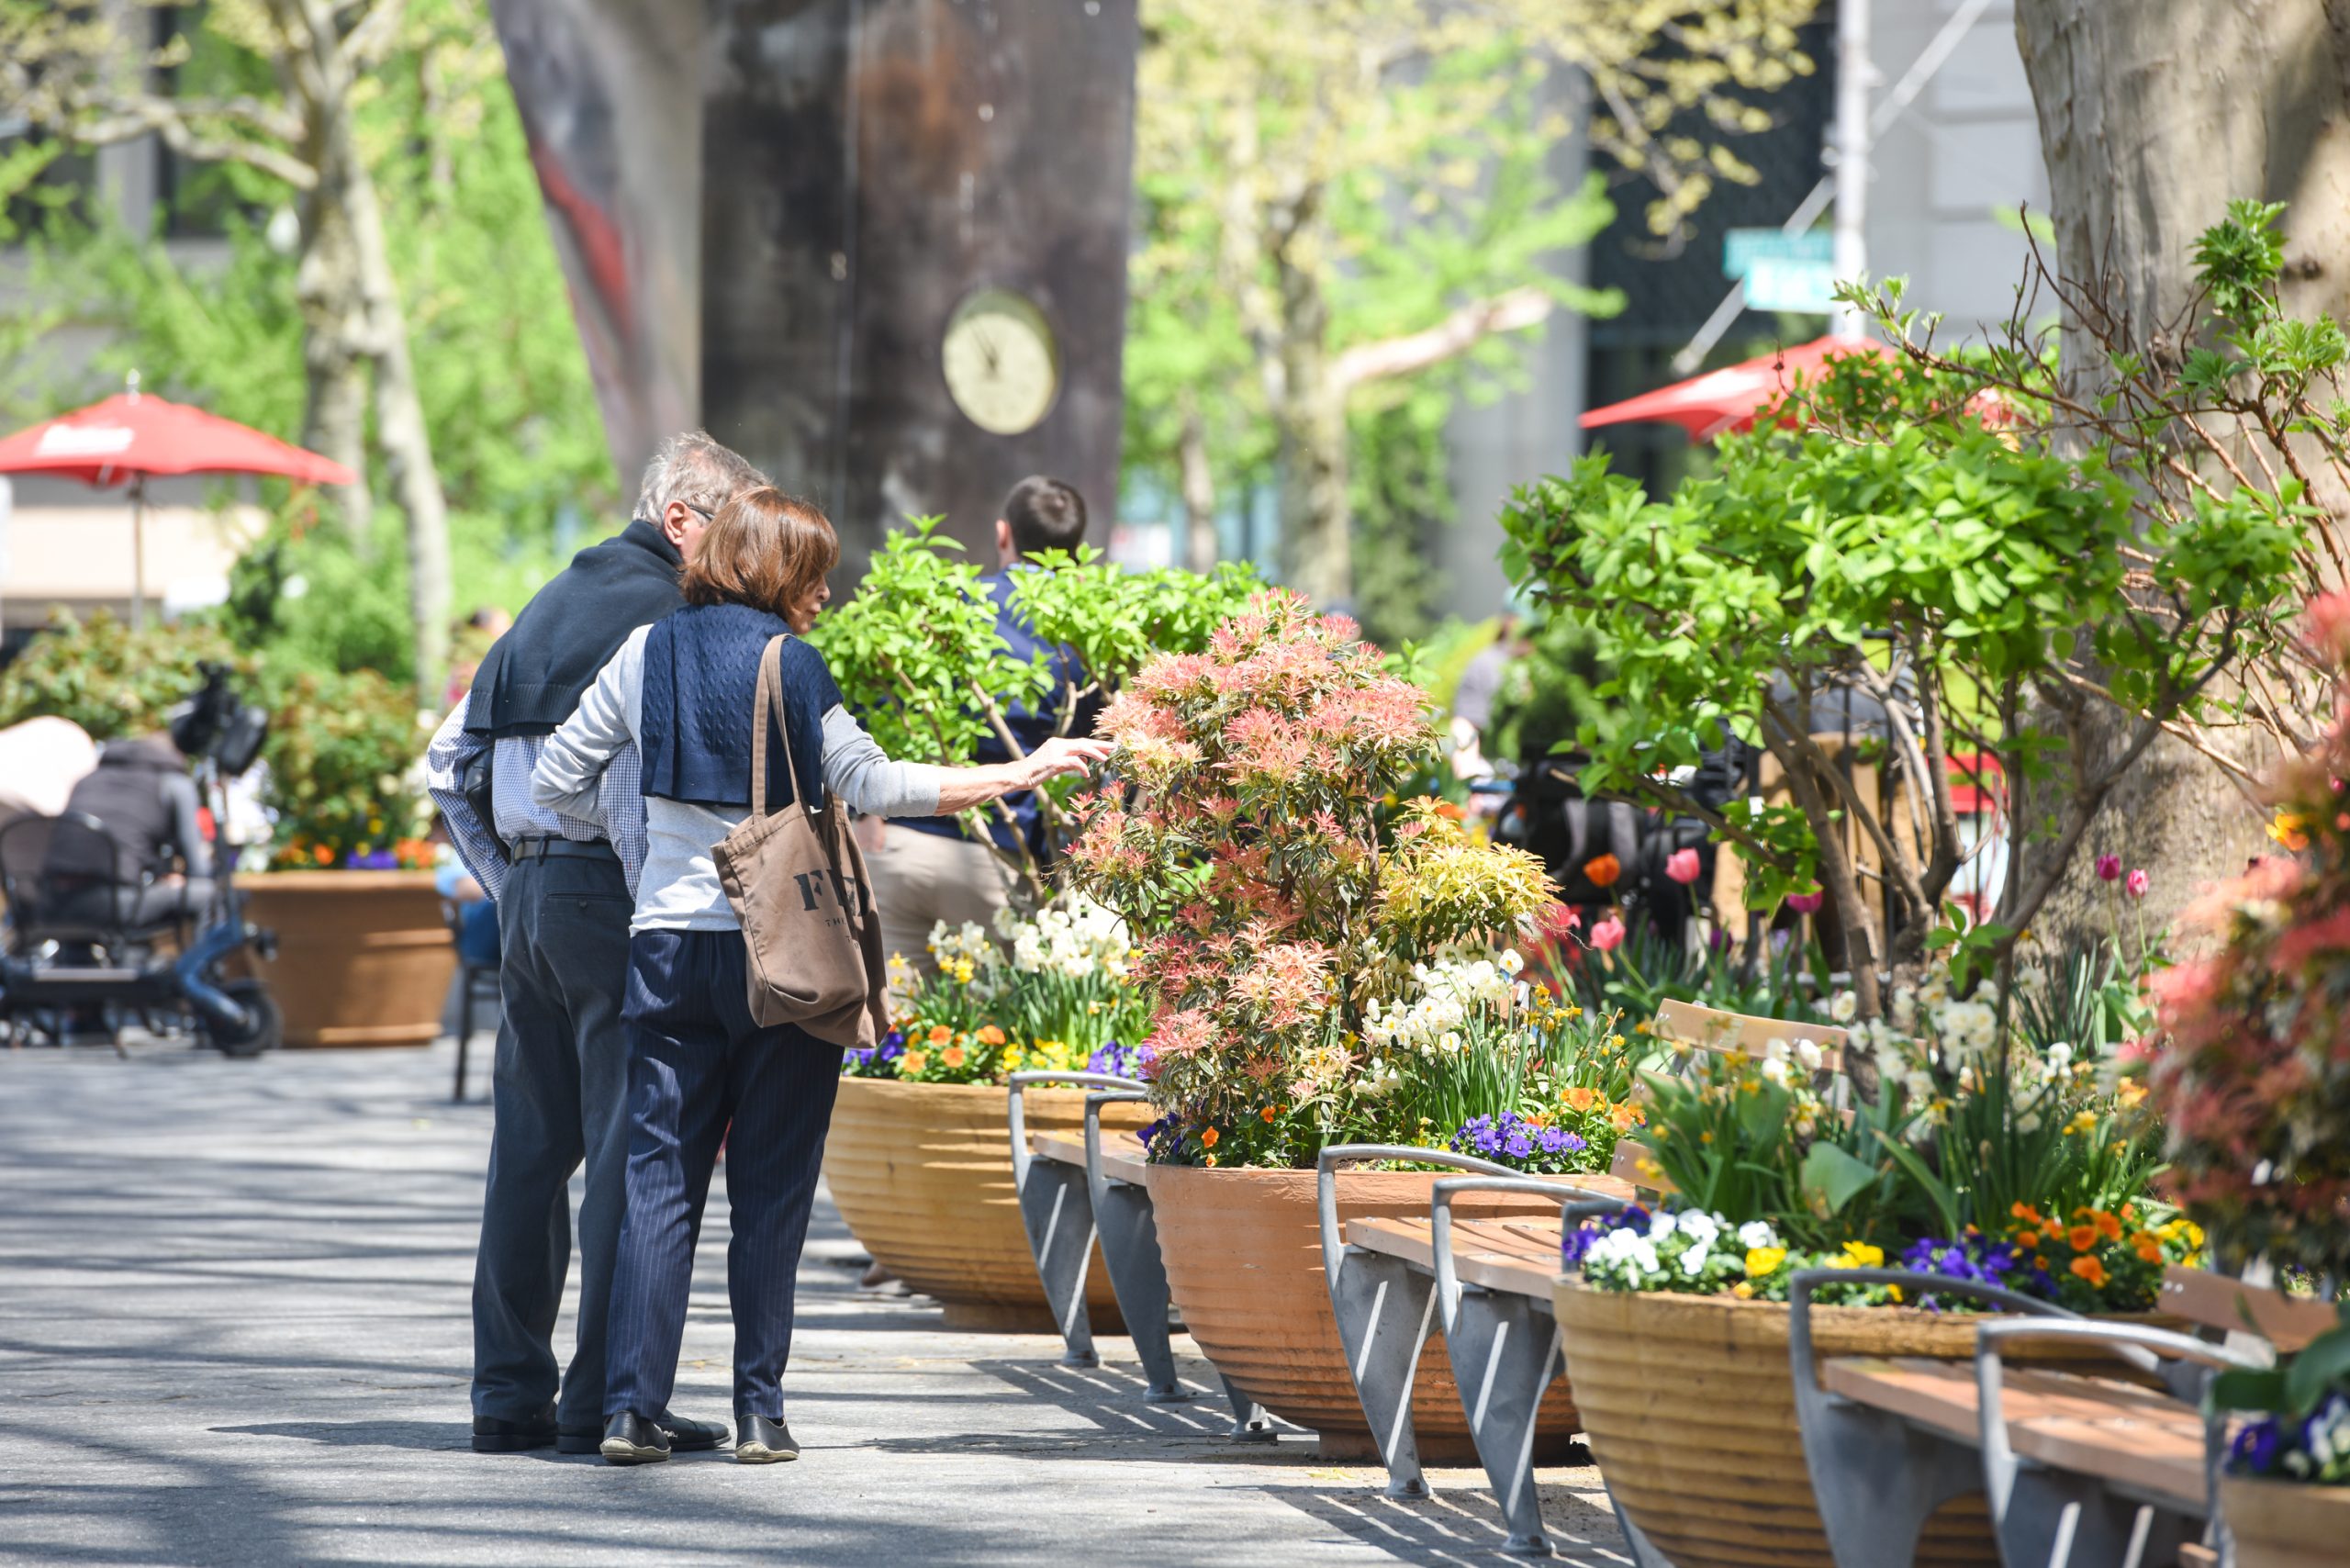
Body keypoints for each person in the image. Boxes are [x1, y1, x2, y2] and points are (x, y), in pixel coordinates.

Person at [530, 487, 1111, 1466]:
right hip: (784, 951)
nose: (826, 591)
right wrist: (1024, 770)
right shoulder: (787, 664)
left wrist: (648, 848)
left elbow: (556, 780)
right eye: (814, 572)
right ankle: (759, 1413)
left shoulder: (643, 652)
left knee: (657, 1183)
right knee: (771, 1187)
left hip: (668, 945)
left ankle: (632, 1410)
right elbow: (875, 786)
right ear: (776, 574)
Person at [423, 431, 766, 1459]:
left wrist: (513, 875)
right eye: (734, 532)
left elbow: (448, 764)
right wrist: (632, 885)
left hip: (530, 897)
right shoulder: (668, 617)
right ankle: (608, 1401)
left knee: (527, 1155)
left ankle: (507, 1397)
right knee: (637, 1150)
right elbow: (632, 790)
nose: (745, 559)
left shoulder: (543, 603)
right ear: (680, 522)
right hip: (612, 898)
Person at [867, 475, 1099, 971]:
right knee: (992, 1037)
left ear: (1002, 533)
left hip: (899, 842)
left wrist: (864, 816)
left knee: (887, 1035)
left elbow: (879, 701)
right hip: (998, 860)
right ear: (1076, 548)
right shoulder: (1090, 632)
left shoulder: (948, 606)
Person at [48, 728, 216, 928]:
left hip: (49, 903)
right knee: (209, 895)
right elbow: (200, 870)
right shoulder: (172, 783)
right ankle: (203, 961)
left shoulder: (87, 780)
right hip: (114, 904)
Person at [1448, 612, 1531, 781]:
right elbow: (1465, 725)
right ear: (1508, 622)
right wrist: (1467, 779)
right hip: (1498, 773)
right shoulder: (1486, 664)